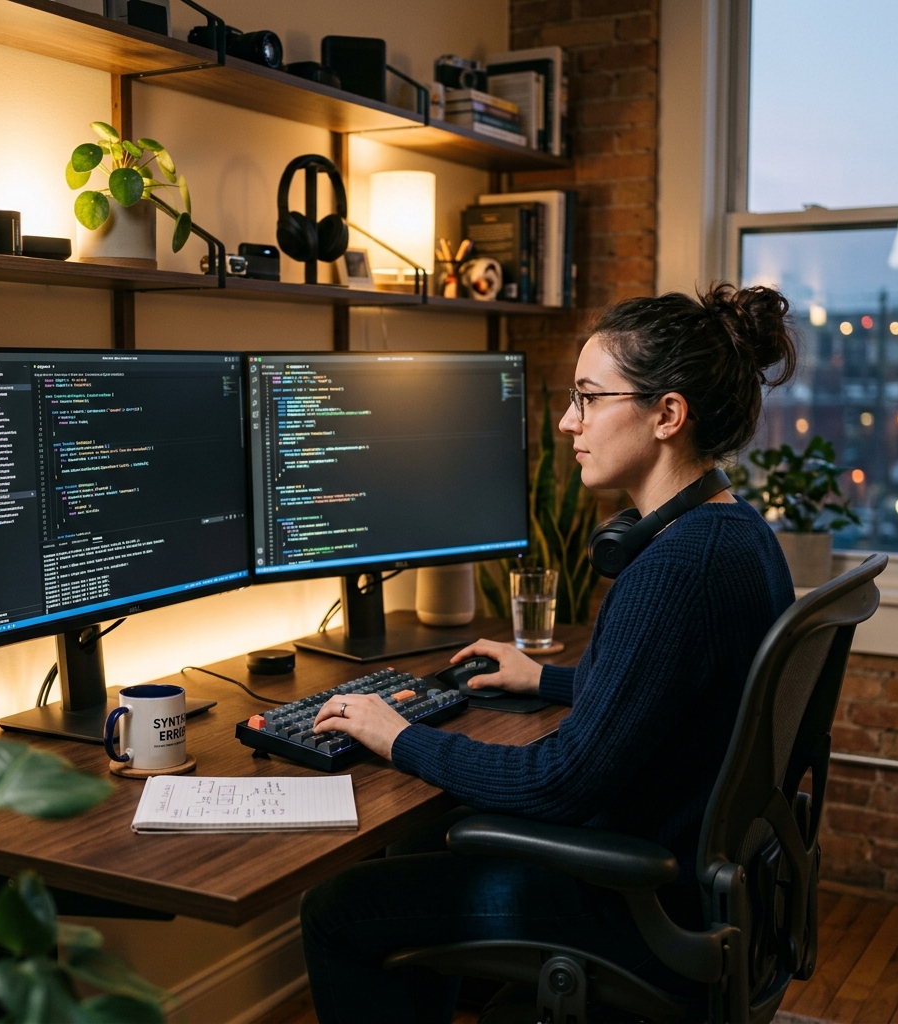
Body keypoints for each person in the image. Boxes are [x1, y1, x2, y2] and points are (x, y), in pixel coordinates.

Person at [300, 283, 798, 1024]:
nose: (569, 421)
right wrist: (550, 677)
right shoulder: (734, 534)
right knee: (422, 845)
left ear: (667, 415)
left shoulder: (674, 569)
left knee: (339, 908)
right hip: (708, 883)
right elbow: (679, 694)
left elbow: (562, 782)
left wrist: (395, 734)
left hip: (643, 908)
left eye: (590, 398)